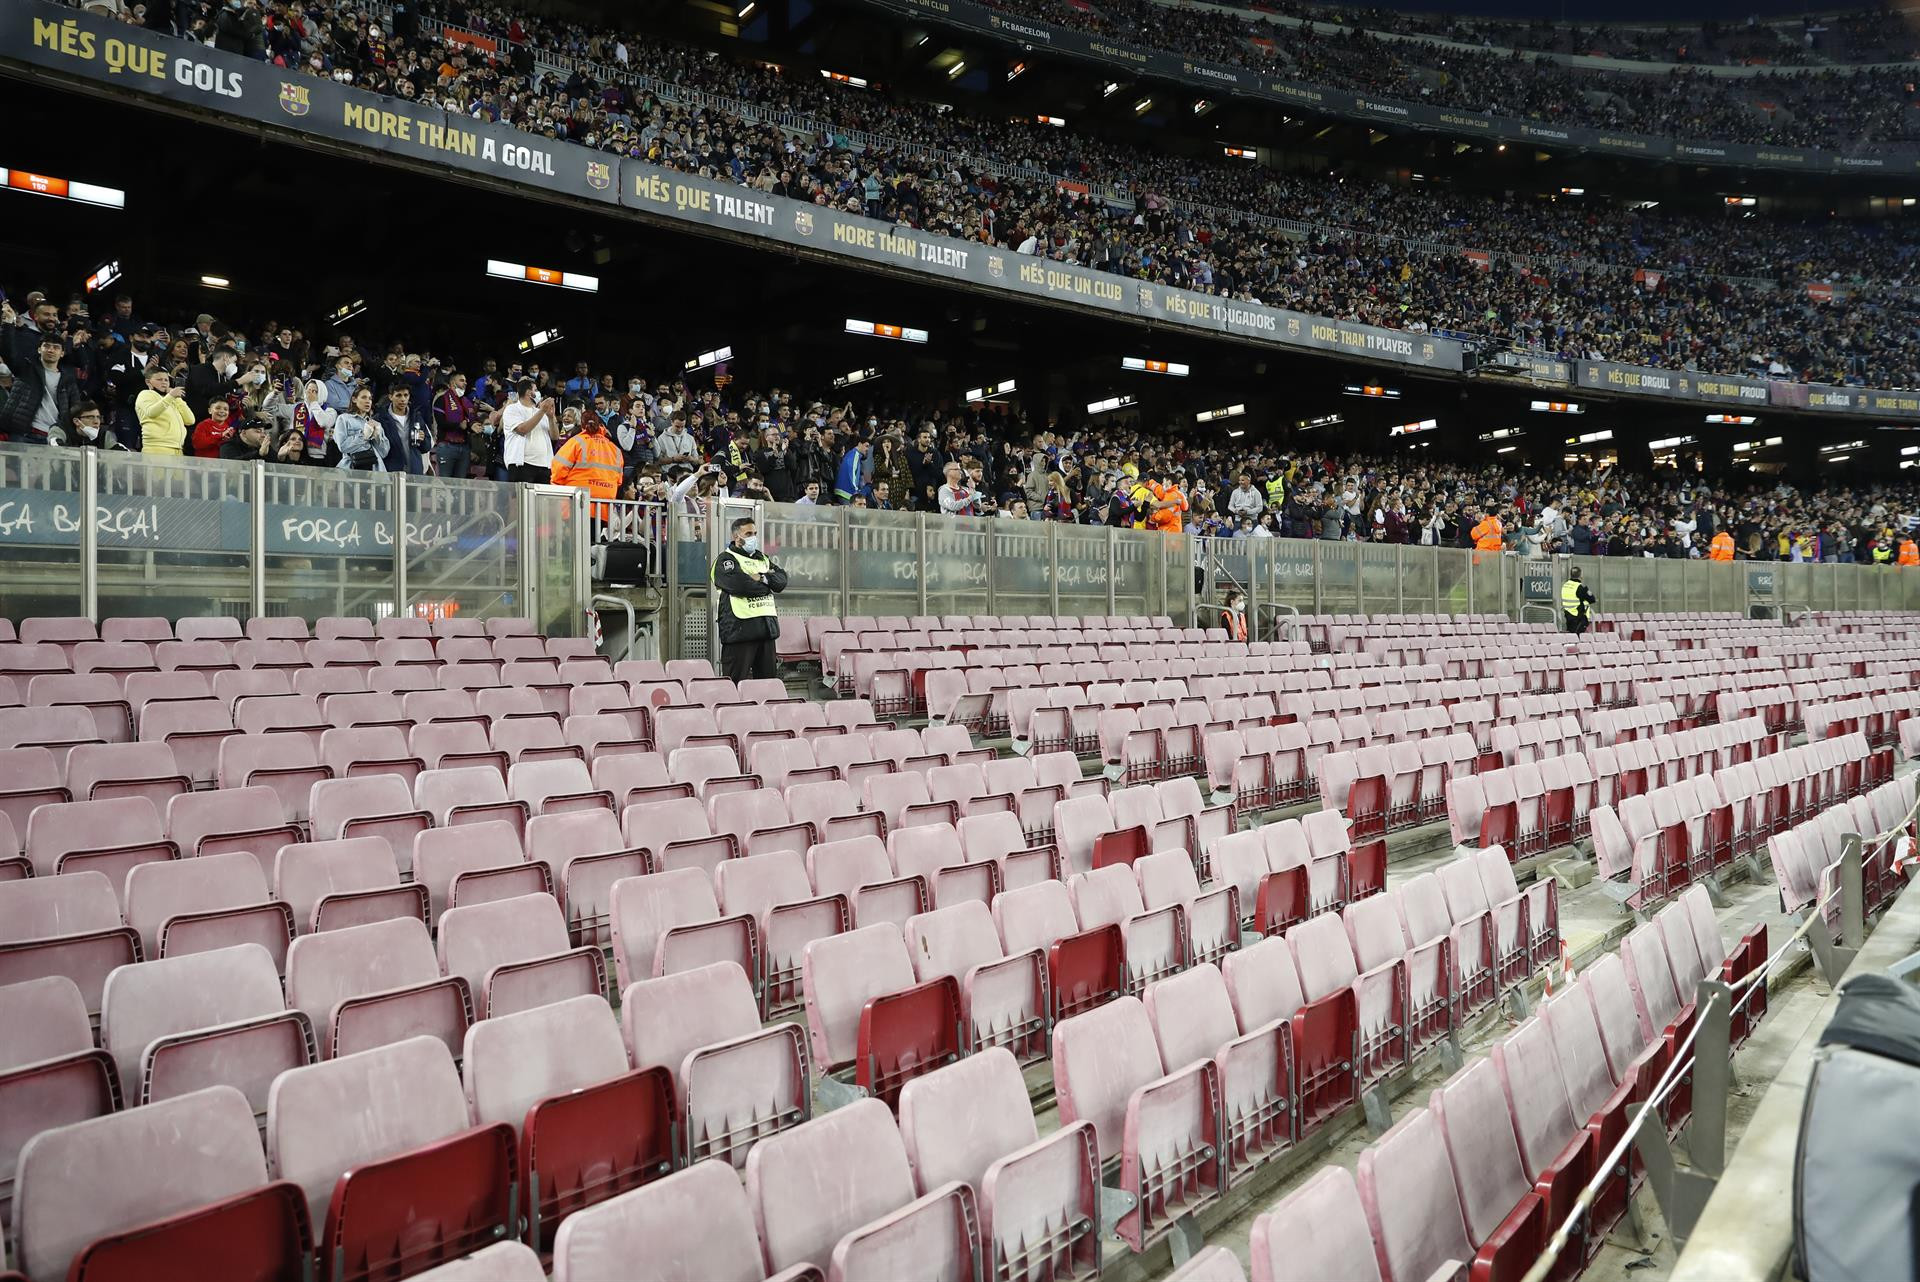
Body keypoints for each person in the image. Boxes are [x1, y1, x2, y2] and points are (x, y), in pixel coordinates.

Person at [713, 514, 787, 682]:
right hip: (740, 631)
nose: (753, 537)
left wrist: (761, 578)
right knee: (735, 684)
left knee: (768, 686)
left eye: (754, 533)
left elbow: (782, 580)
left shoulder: (762, 558)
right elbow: (741, 586)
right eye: (748, 534)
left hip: (766, 630)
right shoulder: (726, 559)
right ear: (736, 536)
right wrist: (768, 585)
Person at [550, 408, 624, 519]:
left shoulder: (576, 442)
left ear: (582, 425)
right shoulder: (615, 449)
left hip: (577, 503)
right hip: (603, 507)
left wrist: (557, 489)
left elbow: (558, 469)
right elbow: (619, 481)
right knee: (595, 536)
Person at [500, 380, 556, 483]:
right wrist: (542, 411)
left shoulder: (540, 412)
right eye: (536, 390)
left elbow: (554, 437)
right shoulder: (512, 409)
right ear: (529, 393)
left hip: (544, 465)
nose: (538, 393)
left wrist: (551, 418)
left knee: (542, 499)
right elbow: (522, 430)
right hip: (522, 465)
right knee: (520, 499)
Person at [135, 364, 194, 456]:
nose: (164, 382)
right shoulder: (145, 394)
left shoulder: (170, 398)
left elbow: (190, 420)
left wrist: (177, 398)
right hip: (156, 449)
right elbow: (151, 412)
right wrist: (171, 396)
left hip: (178, 449)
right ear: (148, 382)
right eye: (159, 379)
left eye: (166, 380)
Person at [1562, 567, 1596, 635]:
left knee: (1571, 636)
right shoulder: (1580, 587)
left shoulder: (1565, 585)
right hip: (1578, 616)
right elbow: (1592, 599)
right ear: (1581, 575)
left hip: (1568, 615)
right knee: (1577, 637)